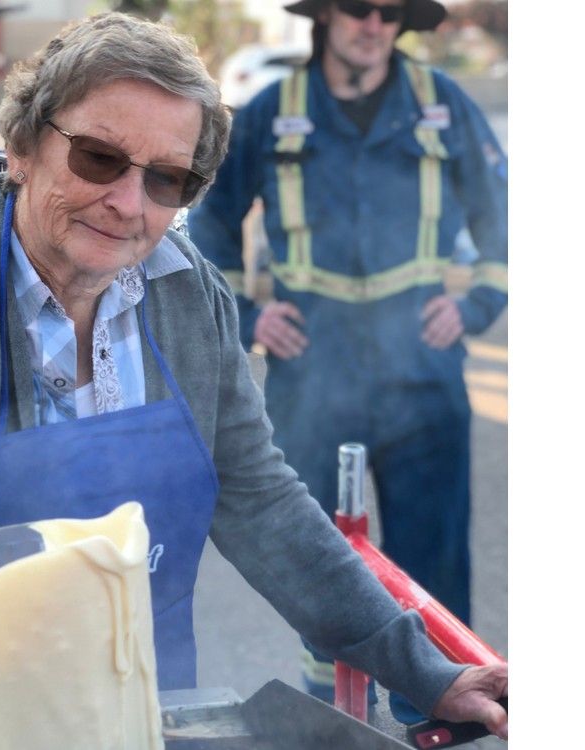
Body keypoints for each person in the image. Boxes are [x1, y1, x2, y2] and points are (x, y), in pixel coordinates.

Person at [0, 11, 507, 738]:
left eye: (167, 180)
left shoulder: (189, 295)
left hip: (104, 704)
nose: (129, 203)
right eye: (99, 158)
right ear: (23, 145)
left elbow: (264, 506)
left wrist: (426, 671)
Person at [186, 0, 507, 724]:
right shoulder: (272, 112)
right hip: (313, 372)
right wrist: (248, 314)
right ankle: (334, 713)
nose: (375, 24)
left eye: (392, 13)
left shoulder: (442, 104)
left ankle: (442, 717)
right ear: (326, 15)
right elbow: (209, 222)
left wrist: (477, 305)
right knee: (318, 557)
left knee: (434, 563)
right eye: (360, 7)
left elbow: (502, 212)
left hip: (422, 372)